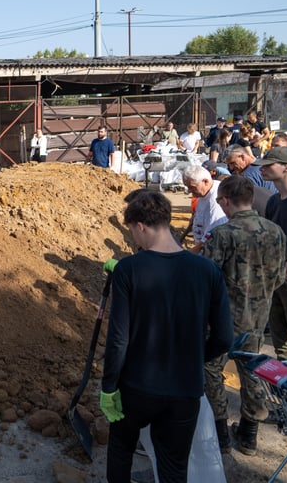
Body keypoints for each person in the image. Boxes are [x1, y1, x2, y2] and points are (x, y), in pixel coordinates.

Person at [101, 189, 233, 483]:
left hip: (136, 386)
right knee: (174, 467)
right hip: (185, 390)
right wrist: (194, 358)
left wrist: (109, 386)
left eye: (132, 232)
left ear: (140, 226)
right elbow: (224, 337)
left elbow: (119, 338)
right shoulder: (207, 270)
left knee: (121, 450)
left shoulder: (129, 269)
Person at [201, 175, 286, 455]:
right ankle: (250, 434)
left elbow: (208, 280)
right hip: (258, 317)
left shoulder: (223, 234)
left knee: (211, 369)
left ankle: (221, 434)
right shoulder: (276, 231)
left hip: (223, 319)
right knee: (251, 369)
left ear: (225, 201)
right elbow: (280, 278)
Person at [258, 146, 287, 361]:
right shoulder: (273, 201)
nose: (263, 169)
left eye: (269, 165)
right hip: (279, 282)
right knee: (282, 345)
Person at [182, 165, 227, 253]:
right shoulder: (203, 193)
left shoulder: (216, 199)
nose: (189, 191)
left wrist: (189, 254)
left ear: (205, 181)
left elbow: (210, 237)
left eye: (192, 187)